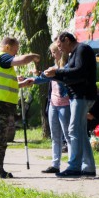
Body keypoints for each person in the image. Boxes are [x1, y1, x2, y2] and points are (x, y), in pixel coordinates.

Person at [0, 37, 40, 178]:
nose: (15, 53)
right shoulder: (2, 57)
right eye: (15, 50)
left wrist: (22, 84)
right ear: (7, 46)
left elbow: (5, 83)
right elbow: (21, 61)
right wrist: (33, 57)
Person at [44, 31, 97, 177]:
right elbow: (70, 74)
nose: (59, 49)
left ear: (67, 40)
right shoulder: (74, 53)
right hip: (77, 96)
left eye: (60, 45)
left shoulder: (82, 50)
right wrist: (57, 73)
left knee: (73, 130)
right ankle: (88, 167)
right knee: (80, 132)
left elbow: (79, 72)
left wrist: (58, 72)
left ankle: (74, 167)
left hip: (83, 95)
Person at [21, 43, 69, 173]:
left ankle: (73, 164)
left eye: (54, 52)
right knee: (55, 136)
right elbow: (41, 78)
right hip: (53, 105)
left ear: (60, 52)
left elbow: (65, 79)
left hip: (65, 105)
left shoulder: (68, 67)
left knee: (68, 135)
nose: (52, 55)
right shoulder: (52, 68)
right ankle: (55, 164)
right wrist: (26, 79)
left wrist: (54, 75)